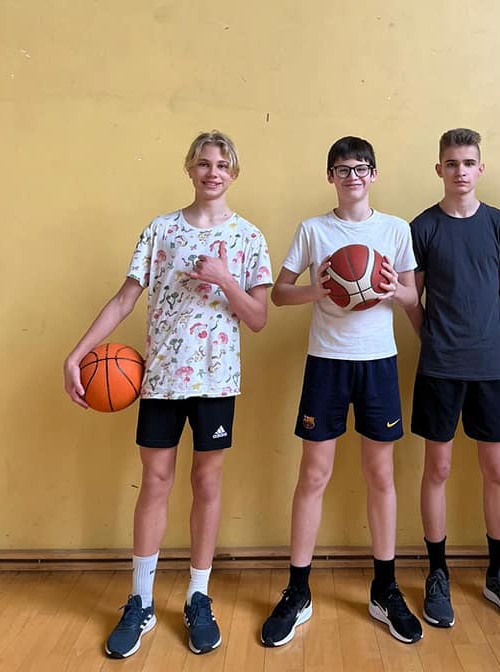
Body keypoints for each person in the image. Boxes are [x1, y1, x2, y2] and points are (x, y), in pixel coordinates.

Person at [63, 131, 272, 658]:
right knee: (155, 482)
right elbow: (124, 299)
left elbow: (258, 318)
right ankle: (141, 601)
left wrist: (225, 279)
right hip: (160, 380)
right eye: (203, 163)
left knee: (207, 482)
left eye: (222, 164)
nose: (212, 172)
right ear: (189, 168)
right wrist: (76, 355)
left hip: (217, 382)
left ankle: (198, 596)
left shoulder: (249, 237)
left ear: (233, 172)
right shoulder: (161, 230)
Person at [260, 136, 423, 647]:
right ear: (330, 175)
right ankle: (298, 590)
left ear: (374, 174)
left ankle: (385, 588)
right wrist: (321, 287)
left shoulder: (395, 229)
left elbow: (412, 295)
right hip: (326, 363)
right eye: (343, 168)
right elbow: (279, 294)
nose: (353, 176)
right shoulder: (313, 230)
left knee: (381, 475)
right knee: (313, 474)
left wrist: (390, 289)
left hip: (378, 363)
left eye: (361, 168)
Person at [405, 128, 500, 629]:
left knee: (495, 469)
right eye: (452, 163)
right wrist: (434, 338)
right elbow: (412, 299)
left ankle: (498, 573)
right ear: (439, 169)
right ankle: (437, 573)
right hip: (439, 366)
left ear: (481, 168)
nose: (460, 171)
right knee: (436, 468)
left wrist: (486, 339)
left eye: (468, 162)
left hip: (489, 368)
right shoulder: (422, 227)